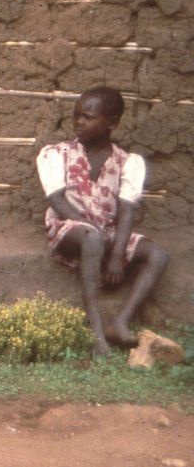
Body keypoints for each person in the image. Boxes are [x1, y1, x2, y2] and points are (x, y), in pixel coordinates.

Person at [35, 86, 169, 355]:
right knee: (92, 236)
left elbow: (127, 210)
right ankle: (95, 332)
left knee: (158, 254)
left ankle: (119, 322)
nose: (79, 122)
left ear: (112, 123)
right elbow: (58, 201)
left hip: (105, 232)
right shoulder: (56, 154)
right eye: (76, 116)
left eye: (88, 117)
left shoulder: (127, 162)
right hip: (68, 227)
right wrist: (97, 233)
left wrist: (117, 253)